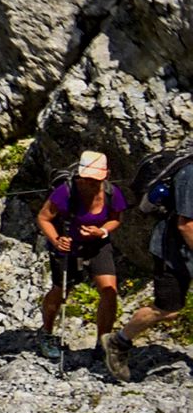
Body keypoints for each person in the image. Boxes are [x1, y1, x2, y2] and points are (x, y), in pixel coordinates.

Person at [35, 150, 127, 377]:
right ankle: (46, 333)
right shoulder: (64, 192)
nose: (91, 183)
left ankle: (103, 342)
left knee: (109, 290)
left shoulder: (111, 193)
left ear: (105, 175)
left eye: (96, 178)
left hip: (97, 244)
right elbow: (44, 218)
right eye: (87, 178)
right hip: (66, 246)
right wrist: (56, 240)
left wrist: (102, 230)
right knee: (61, 292)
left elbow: (116, 218)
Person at [118, 148, 193, 376]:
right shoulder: (190, 175)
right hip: (171, 250)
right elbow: (186, 224)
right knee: (167, 310)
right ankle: (118, 341)